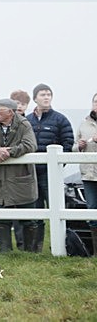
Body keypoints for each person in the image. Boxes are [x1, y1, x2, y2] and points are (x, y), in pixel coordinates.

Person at [0, 98, 38, 252]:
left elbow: (30, 145)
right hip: (1, 179)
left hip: (22, 178)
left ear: (10, 112)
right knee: (2, 217)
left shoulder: (24, 125)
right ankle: (4, 251)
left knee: (28, 218)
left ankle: (29, 252)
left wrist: (7, 153)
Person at [26, 83, 74, 252]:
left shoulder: (60, 119)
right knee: (36, 212)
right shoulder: (27, 121)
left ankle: (60, 246)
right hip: (32, 174)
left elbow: (67, 143)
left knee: (57, 210)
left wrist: (58, 166)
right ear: (35, 98)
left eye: (48, 94)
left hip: (51, 174)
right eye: (42, 94)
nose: (46, 97)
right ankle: (36, 248)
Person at [72, 92, 97, 255]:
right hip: (89, 174)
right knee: (92, 211)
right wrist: (79, 146)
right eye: (95, 101)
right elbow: (73, 148)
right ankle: (96, 252)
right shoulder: (83, 123)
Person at [9, 88, 31, 249]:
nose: (20, 107)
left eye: (23, 104)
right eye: (17, 103)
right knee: (15, 208)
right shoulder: (6, 123)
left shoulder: (27, 123)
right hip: (11, 171)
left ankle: (30, 245)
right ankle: (20, 243)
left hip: (27, 171)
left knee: (29, 208)